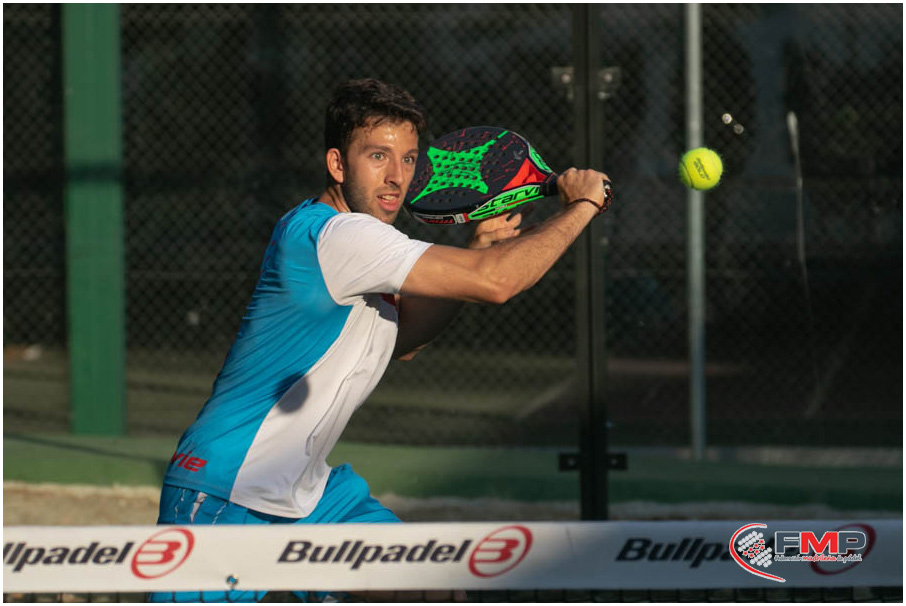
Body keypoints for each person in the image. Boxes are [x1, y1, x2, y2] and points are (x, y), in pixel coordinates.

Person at [149, 78, 611, 603]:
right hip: (229, 488)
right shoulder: (339, 235)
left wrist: (475, 252)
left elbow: (404, 341)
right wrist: (583, 206)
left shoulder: (356, 240)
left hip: (314, 495)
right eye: (377, 156)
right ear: (337, 164)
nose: (396, 177)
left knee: (433, 589)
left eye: (409, 159)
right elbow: (498, 281)